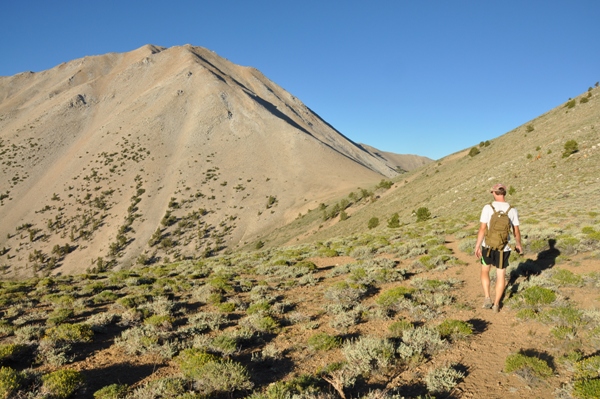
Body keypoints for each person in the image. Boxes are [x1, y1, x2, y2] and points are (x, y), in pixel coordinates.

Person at [475, 183, 522, 313]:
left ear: (494, 193)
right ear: (504, 193)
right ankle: (496, 304)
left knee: (485, 271)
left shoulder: (487, 207)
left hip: (488, 246)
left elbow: (482, 228)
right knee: (500, 275)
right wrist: (518, 244)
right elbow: (516, 231)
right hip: (504, 247)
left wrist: (477, 245)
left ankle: (487, 298)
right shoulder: (512, 210)